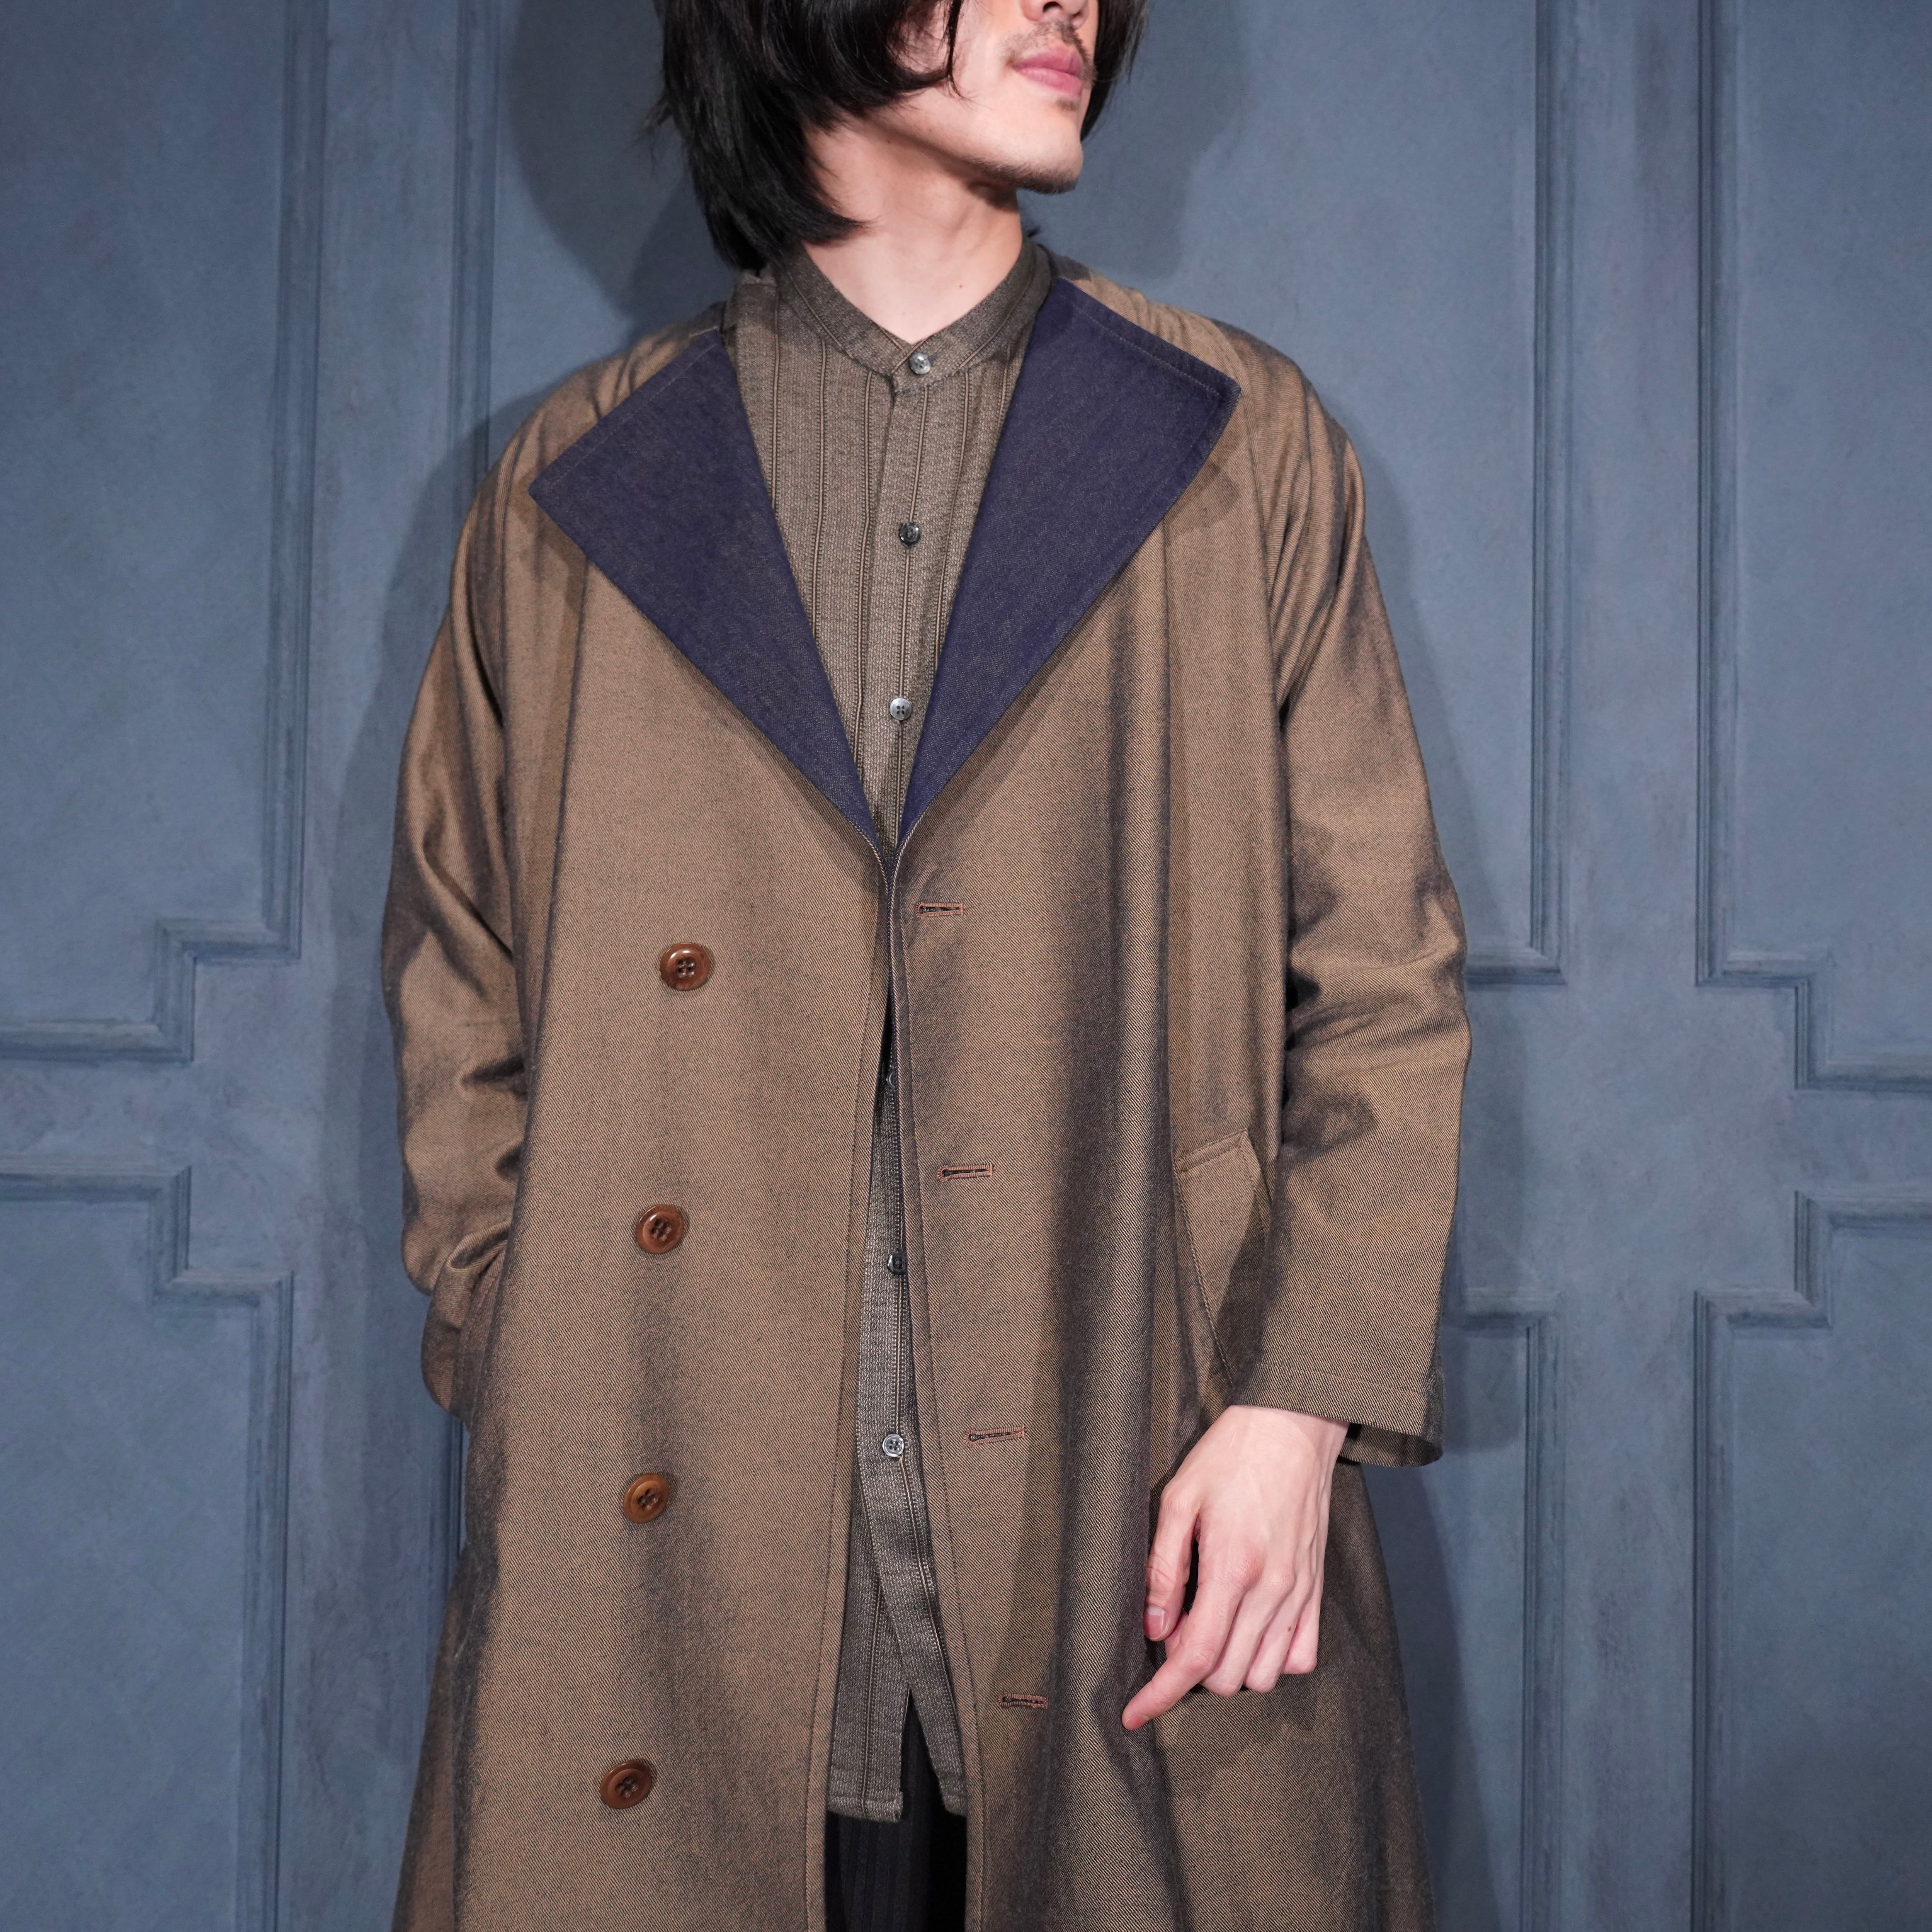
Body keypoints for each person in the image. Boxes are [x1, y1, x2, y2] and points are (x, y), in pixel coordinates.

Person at [381, 0, 1471, 1925]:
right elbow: (456, 982)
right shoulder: (574, 483)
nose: (1070, 8)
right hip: (682, 1535)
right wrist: (537, 1343)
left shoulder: (1232, 445)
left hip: (1134, 1489)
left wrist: (1297, 1403)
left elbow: (1380, 980)